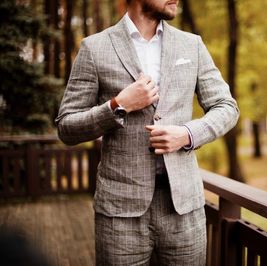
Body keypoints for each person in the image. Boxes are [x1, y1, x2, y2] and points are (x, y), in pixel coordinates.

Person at [55, 0, 239, 265]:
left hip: (184, 209)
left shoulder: (192, 45)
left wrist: (187, 134)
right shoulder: (94, 48)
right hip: (120, 214)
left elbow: (227, 107)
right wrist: (118, 106)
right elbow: (67, 127)